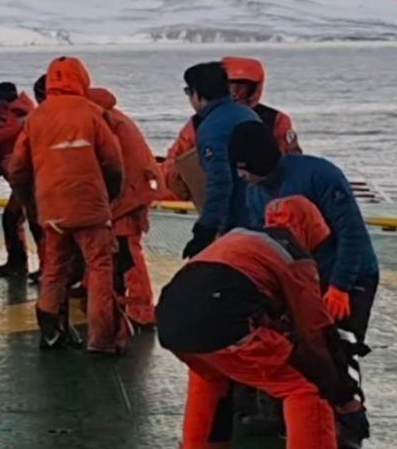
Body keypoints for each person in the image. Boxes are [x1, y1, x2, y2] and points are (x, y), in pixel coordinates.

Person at [157, 194, 357, 449]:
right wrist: (336, 387)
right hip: (223, 320)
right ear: (309, 228)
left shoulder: (238, 236)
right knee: (305, 389)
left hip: (171, 319)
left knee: (211, 375)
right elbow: (314, 331)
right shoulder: (294, 256)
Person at [232, 119, 377, 443]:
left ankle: (348, 427)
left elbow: (351, 234)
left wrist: (340, 286)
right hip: (301, 281)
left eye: (241, 168)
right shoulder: (254, 191)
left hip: (350, 273)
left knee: (340, 347)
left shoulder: (320, 176)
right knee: (297, 347)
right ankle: (301, 421)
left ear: (254, 163)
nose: (239, 176)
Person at [5, 56, 124, 353]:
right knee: (99, 269)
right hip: (90, 208)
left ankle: (49, 331)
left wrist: (31, 203)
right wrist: (109, 196)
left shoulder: (35, 118)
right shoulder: (92, 112)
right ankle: (101, 339)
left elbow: (17, 168)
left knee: (55, 268)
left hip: (52, 209)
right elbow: (113, 162)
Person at [88, 86, 161, 330]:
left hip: (126, 196)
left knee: (128, 253)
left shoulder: (105, 121)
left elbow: (108, 162)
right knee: (124, 252)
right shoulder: (113, 117)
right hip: (133, 192)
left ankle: (141, 311)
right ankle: (129, 306)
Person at [184, 60, 261, 258]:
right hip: (261, 210)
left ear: (197, 93)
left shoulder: (212, 127)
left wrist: (205, 229)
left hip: (239, 219)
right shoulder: (247, 113)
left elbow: (219, 182)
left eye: (188, 92)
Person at [0, 81, 42, 277]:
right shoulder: (22, 111)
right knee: (12, 219)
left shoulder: (15, 114)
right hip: (23, 176)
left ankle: (45, 266)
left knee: (34, 222)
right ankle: (18, 263)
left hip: (26, 177)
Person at [222, 55, 302, 154]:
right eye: (230, 84)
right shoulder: (202, 119)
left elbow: (291, 159)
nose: (234, 90)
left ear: (254, 87)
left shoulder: (277, 119)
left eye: (242, 85)